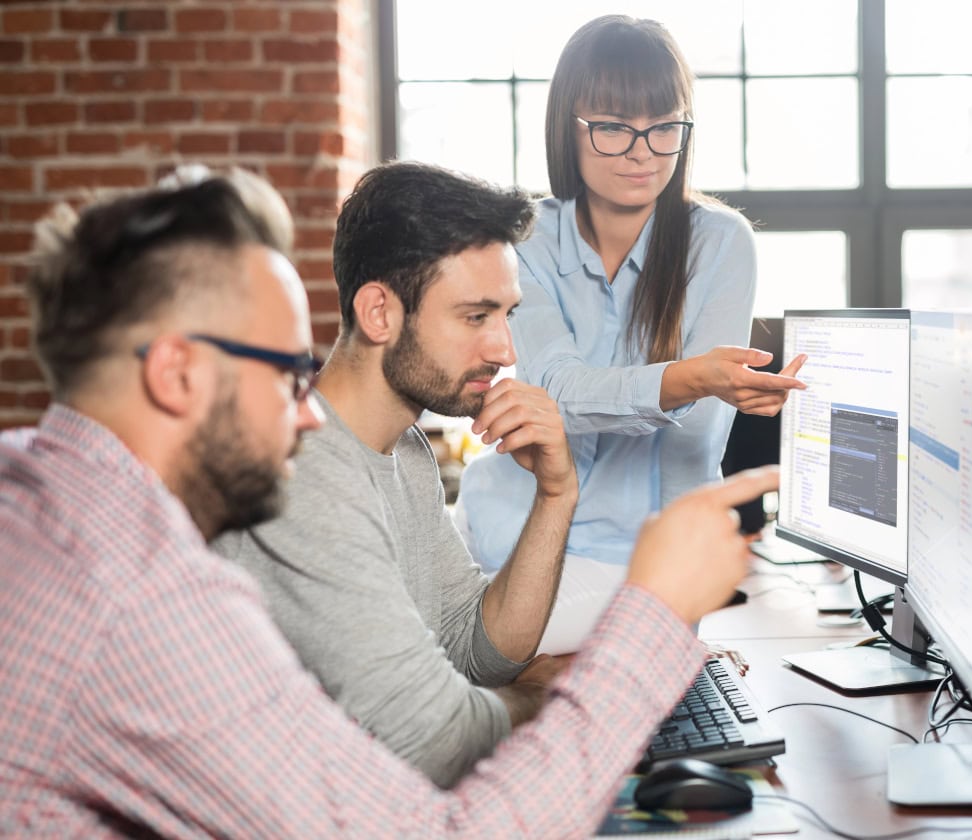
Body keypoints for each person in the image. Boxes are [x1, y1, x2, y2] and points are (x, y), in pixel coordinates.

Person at [0, 169, 779, 837]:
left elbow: (473, 649)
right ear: (175, 375)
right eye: (283, 370)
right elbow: (441, 797)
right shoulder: (138, 591)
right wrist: (637, 634)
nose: (303, 409)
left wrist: (557, 492)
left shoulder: (42, 492)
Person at [211, 160, 578, 787]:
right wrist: (554, 700)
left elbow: (476, 650)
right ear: (379, 312)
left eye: (507, 315)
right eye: (475, 317)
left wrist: (557, 493)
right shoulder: (303, 469)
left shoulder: (404, 450)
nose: (504, 350)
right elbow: (430, 739)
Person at [456, 14, 806, 654]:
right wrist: (689, 378)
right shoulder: (525, 241)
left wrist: (674, 612)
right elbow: (555, 393)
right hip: (507, 531)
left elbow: (695, 439)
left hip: (643, 560)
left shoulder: (721, 243)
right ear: (570, 127)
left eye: (664, 127)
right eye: (614, 127)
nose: (642, 152)